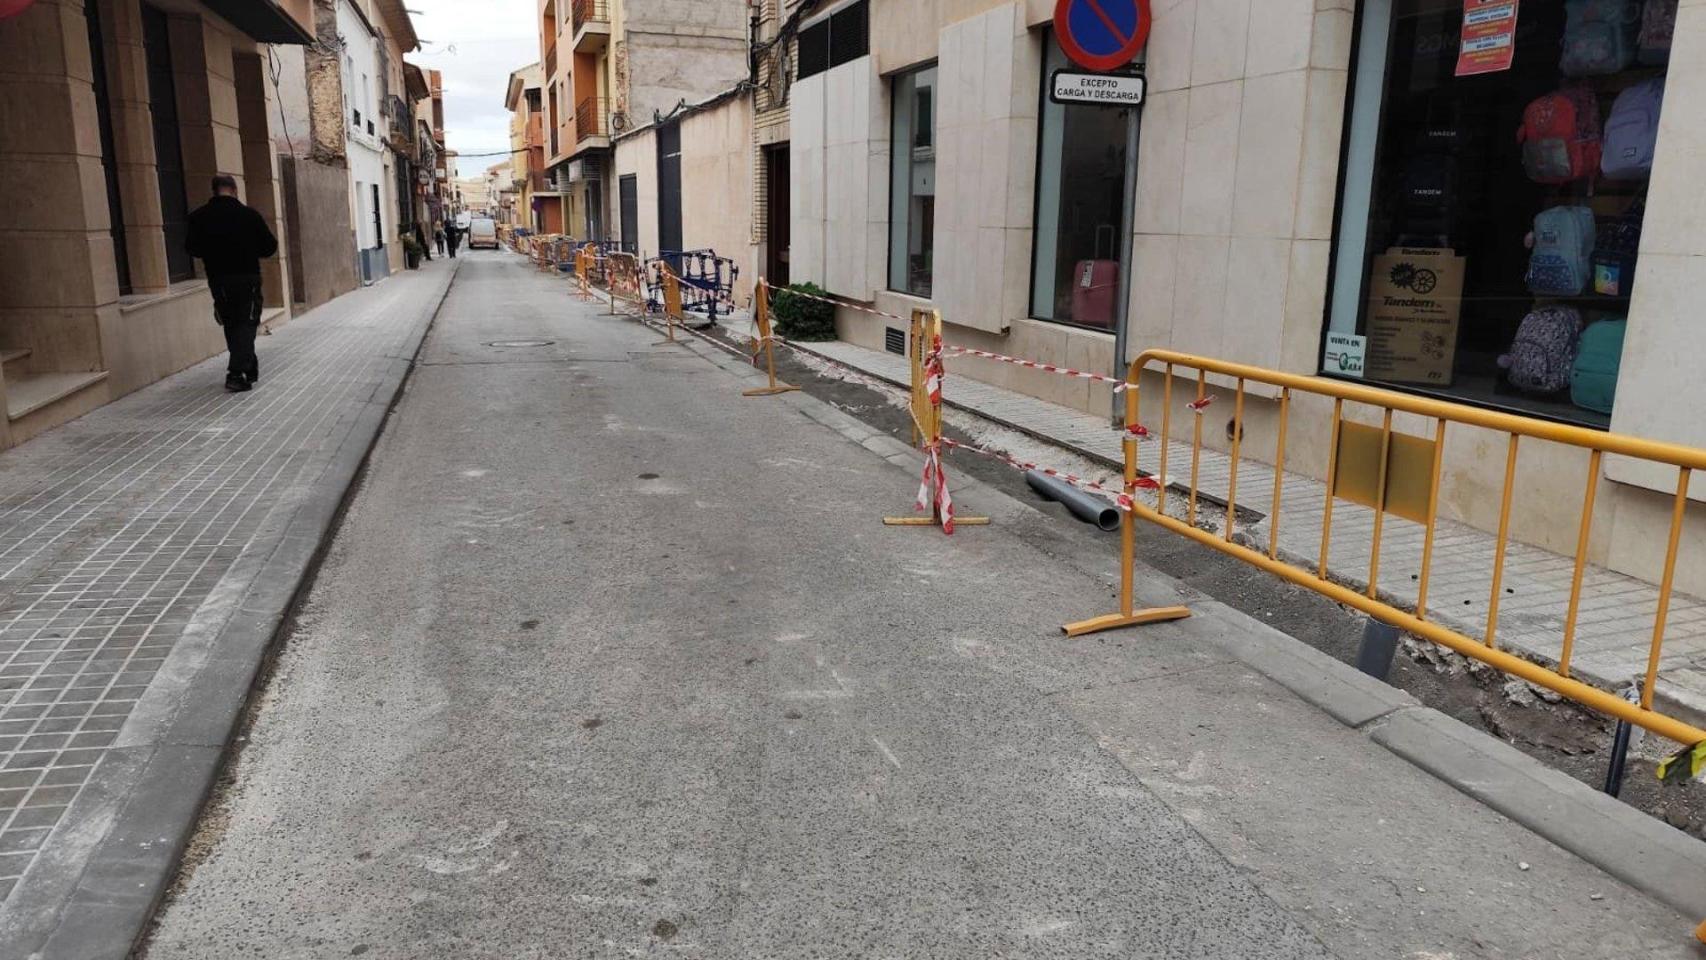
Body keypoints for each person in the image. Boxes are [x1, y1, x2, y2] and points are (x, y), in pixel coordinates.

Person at [185, 174, 277, 393]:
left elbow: (191, 249)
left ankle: (249, 366)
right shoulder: (249, 216)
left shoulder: (199, 217)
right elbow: (269, 247)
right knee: (247, 323)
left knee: (232, 322)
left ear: (214, 191)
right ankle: (236, 373)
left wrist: (213, 250)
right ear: (235, 190)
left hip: (219, 280)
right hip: (247, 278)